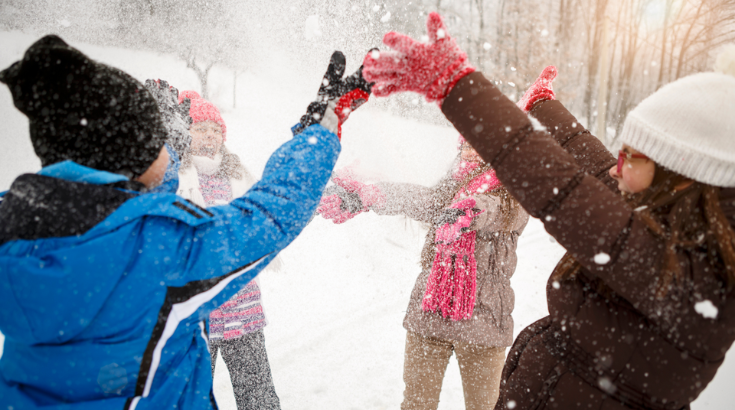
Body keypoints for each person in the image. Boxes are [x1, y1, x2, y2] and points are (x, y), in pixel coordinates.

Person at [362, 12, 735, 410]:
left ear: (682, 179)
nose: (615, 166)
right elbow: (594, 170)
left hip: (483, 329)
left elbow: (564, 194)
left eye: (633, 156)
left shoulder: (694, 271)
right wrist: (545, 109)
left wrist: (458, 88)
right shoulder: (663, 219)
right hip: (436, 320)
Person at [0, 36, 370, 410]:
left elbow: (127, 198)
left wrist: (167, 150)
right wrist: (320, 132)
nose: (173, 148)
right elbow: (271, 212)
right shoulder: (160, 248)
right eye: (162, 141)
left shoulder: (13, 227)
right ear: (135, 157)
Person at [317, 137, 529, 409]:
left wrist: (470, 210)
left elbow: (498, 211)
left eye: (481, 144)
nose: (471, 152)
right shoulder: (452, 187)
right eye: (466, 145)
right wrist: (370, 195)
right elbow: (424, 199)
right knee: (416, 405)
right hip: (430, 313)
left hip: (483, 323)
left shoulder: (517, 191)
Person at [176, 90, 281, 409]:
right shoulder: (174, 175)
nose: (210, 135)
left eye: (216, 129)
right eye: (201, 128)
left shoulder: (239, 175)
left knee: (258, 397)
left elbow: (265, 222)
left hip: (242, 307)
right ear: (185, 133)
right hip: (195, 312)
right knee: (187, 398)